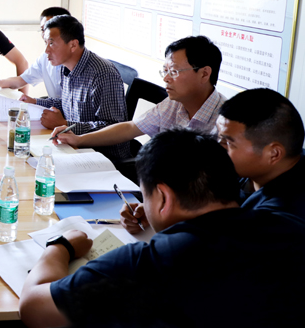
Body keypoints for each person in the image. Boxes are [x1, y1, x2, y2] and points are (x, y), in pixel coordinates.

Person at [20, 129, 305, 328]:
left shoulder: (148, 263)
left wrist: (61, 246)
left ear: (164, 198)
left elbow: (34, 309)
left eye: (145, 196)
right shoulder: (287, 225)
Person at [53, 35, 225, 157]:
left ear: (204, 74)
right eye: (165, 71)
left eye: (174, 71)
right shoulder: (174, 104)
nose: (166, 78)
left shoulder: (225, 121)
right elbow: (131, 128)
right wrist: (79, 140)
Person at [29, 15, 130, 160]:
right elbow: (67, 104)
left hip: (102, 156)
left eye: (51, 43)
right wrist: (34, 102)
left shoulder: (103, 74)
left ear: (73, 45)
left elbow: (112, 127)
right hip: (73, 147)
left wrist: (65, 124)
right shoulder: (65, 67)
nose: (46, 51)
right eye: (46, 43)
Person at [216, 88, 305, 220]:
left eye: (228, 142)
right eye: (219, 138)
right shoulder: (249, 171)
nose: (218, 146)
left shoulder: (283, 217)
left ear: (274, 154)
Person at [0, 6, 70, 99]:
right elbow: (22, 80)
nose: (45, 34)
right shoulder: (45, 57)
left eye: (49, 28)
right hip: (53, 105)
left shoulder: (74, 60)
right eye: (43, 29)